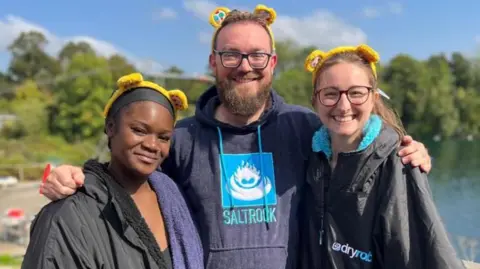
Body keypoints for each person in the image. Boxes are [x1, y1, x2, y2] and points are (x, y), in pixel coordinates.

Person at [39, 5, 432, 269]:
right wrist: (80, 178)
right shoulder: (181, 138)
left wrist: (402, 149)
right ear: (213, 62)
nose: (245, 67)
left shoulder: (305, 128)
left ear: (272, 63)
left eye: (257, 55)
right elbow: (127, 176)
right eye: (232, 55)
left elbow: (356, 139)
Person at [299, 45, 465, 268]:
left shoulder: (399, 161)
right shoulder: (308, 157)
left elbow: (419, 254)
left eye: (356, 92)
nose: (343, 105)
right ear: (315, 101)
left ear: (373, 98)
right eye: (330, 94)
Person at [22, 73, 204, 269]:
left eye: (163, 137)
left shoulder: (172, 198)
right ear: (110, 127)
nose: (152, 145)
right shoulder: (67, 215)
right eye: (139, 130)